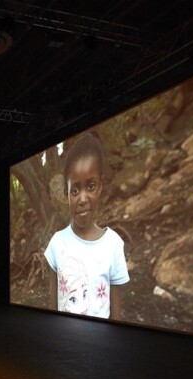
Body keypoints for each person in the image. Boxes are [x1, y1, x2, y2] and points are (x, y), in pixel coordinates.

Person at [44, 132, 130, 320]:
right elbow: (53, 306)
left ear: (101, 185)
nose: (82, 199)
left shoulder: (113, 245)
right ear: (66, 194)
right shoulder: (57, 244)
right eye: (75, 190)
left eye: (90, 186)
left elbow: (116, 315)